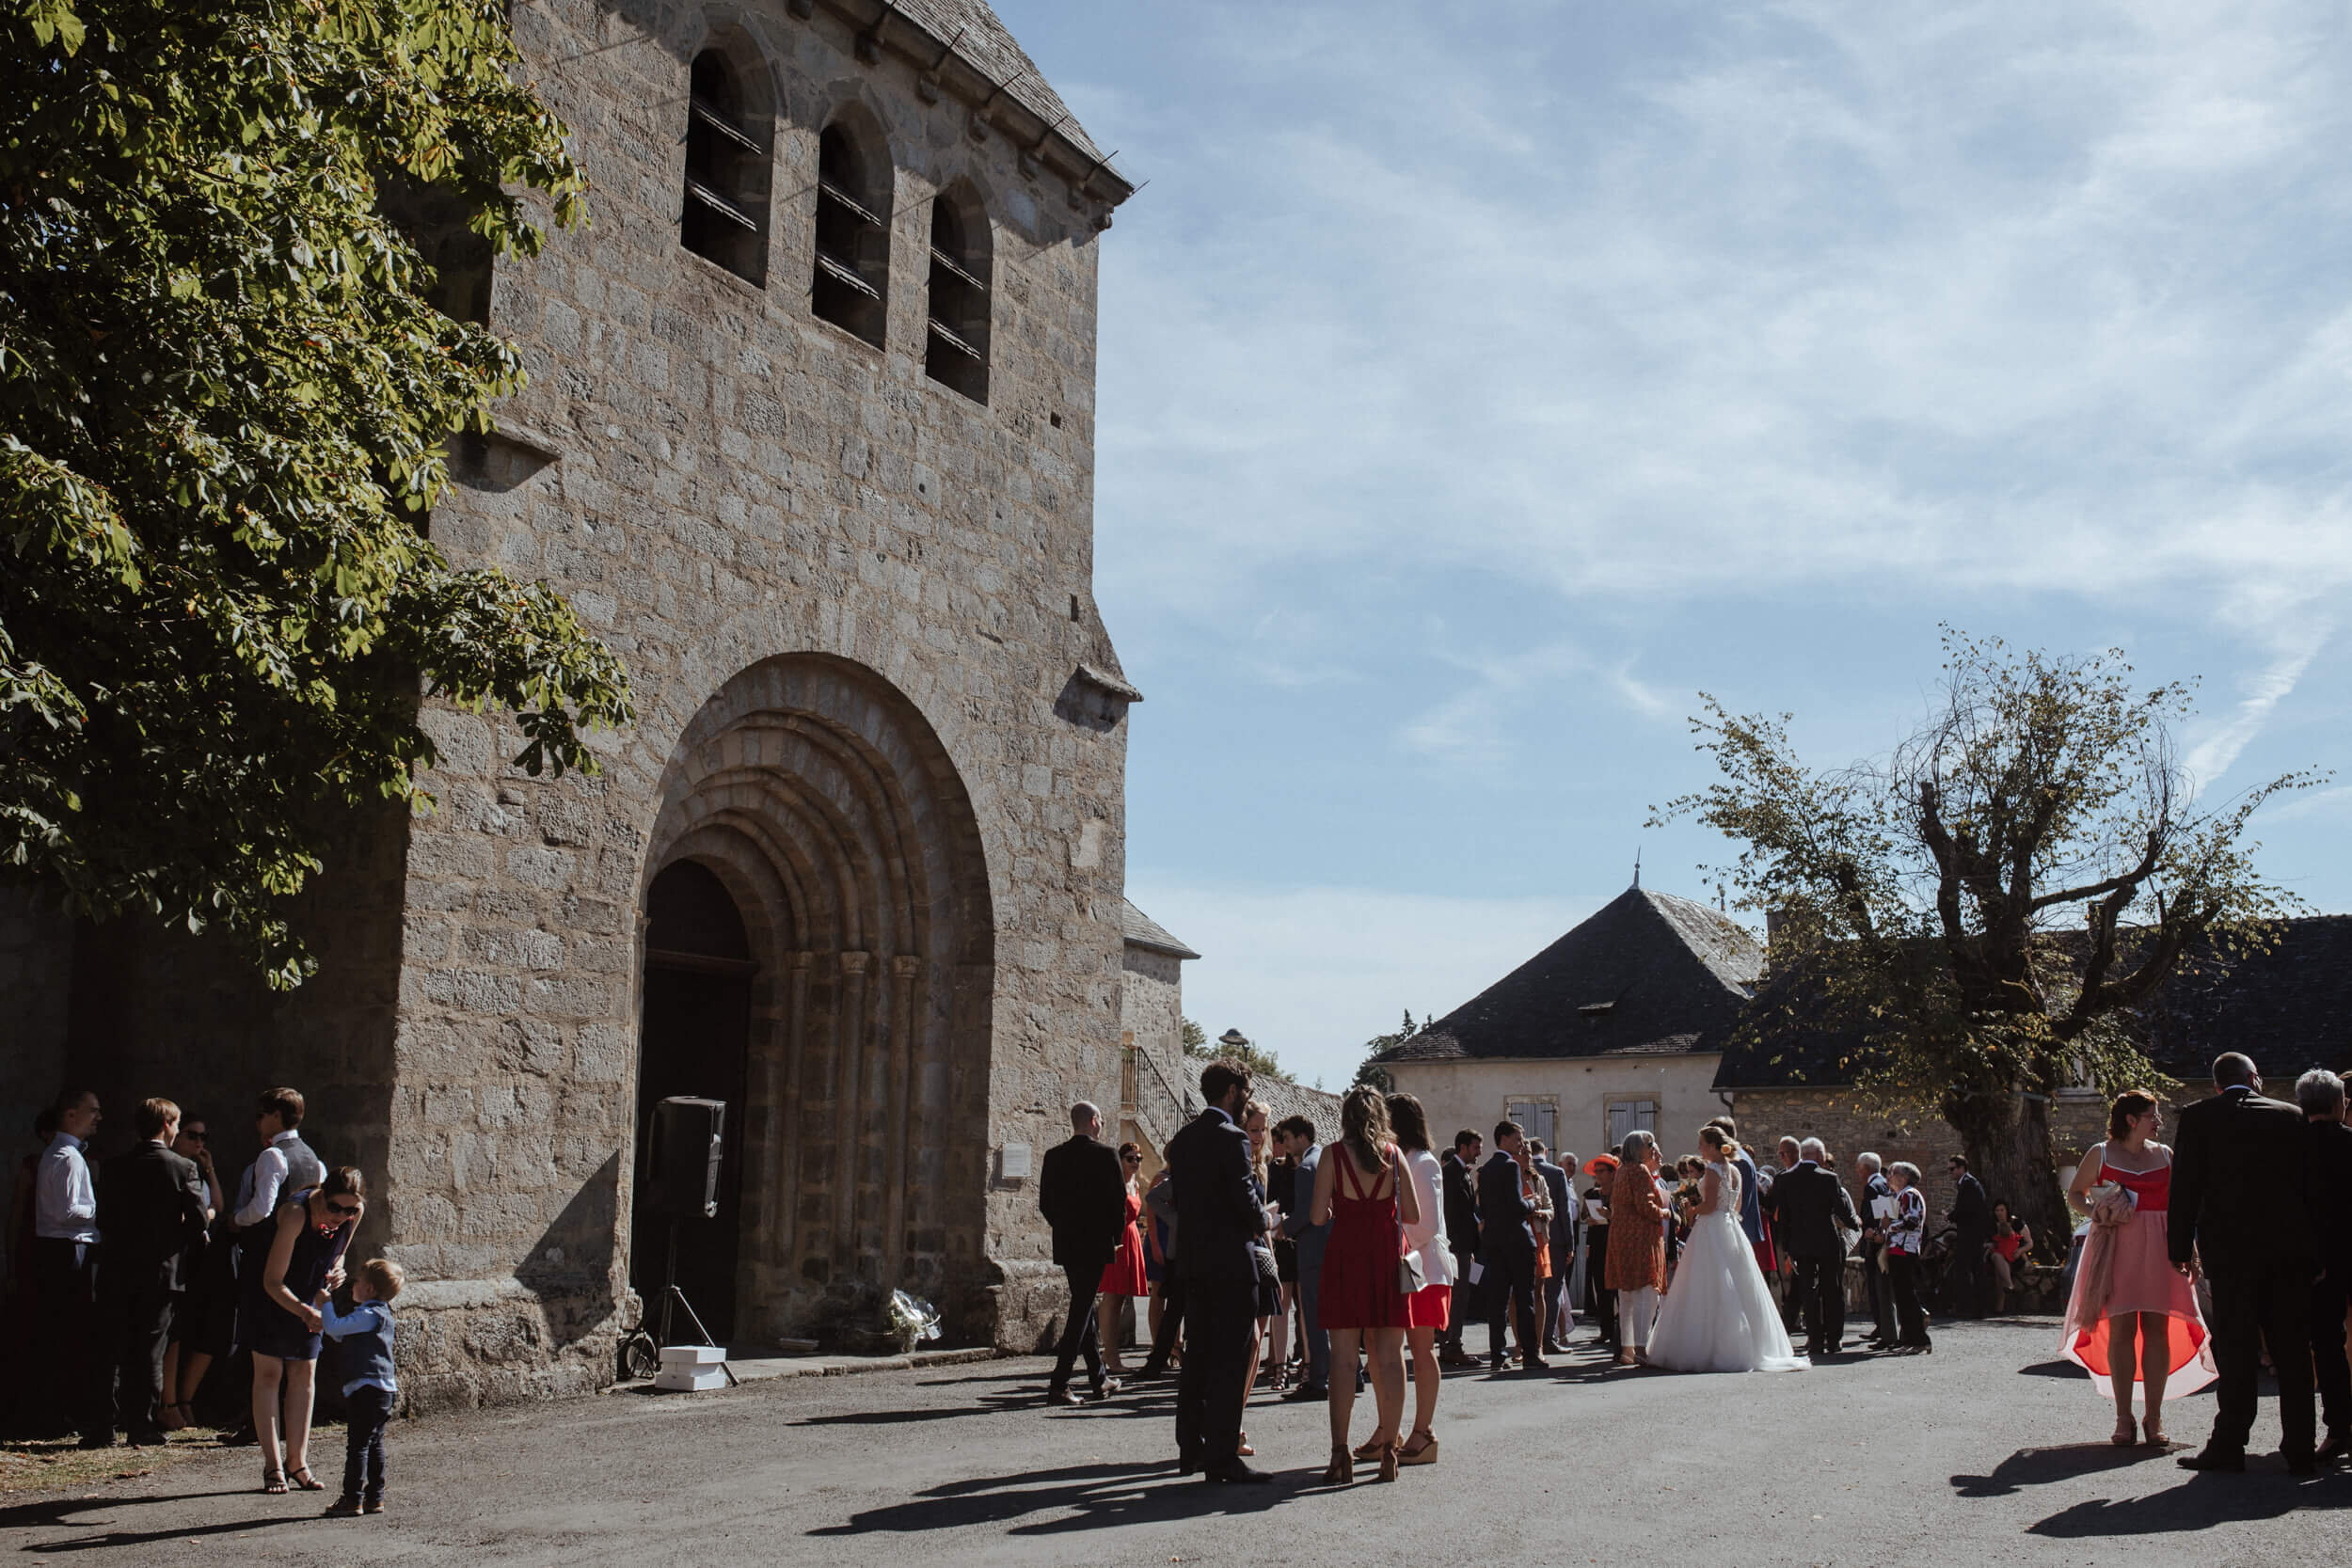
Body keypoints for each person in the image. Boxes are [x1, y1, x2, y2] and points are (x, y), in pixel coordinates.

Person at [2169, 1053, 2316, 1474]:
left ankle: (2229, 1444)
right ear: (2257, 1080)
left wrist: (2180, 1248)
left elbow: (2185, 1188)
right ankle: (2300, 1448)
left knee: (2236, 1348)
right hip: (2287, 1252)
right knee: (2290, 1350)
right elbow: (2311, 1189)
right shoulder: (2291, 1116)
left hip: (2230, 1254)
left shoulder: (2199, 1118)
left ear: (2217, 1085)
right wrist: (2315, 1252)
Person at [2061, 1089, 2215, 1449]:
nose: (2159, 1121)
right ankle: (2123, 1416)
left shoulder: (2165, 1155)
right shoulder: (2099, 1153)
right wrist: (2097, 1214)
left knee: (2158, 1326)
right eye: (2152, 1115)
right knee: (2121, 1328)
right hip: (2117, 1246)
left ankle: (2154, 1416)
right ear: (2132, 1120)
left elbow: (2185, 1199)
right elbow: (2075, 1194)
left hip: (2160, 1246)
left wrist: (2186, 1246)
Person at [1167, 1057, 1273, 1484]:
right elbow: (1246, 1206)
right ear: (1231, 1092)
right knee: (1231, 1360)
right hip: (1230, 1264)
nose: (1245, 1101)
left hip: (1193, 1262)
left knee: (1197, 1358)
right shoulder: (1232, 1140)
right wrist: (1268, 1220)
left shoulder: (1185, 1138)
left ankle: (1190, 1449)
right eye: (1244, 1092)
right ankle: (1223, 1456)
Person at [1308, 1085, 1419, 1483]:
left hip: (1346, 1254)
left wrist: (1341, 1205)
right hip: (1386, 1255)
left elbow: (1318, 1217)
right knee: (1390, 1357)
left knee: (1342, 1359)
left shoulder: (1332, 1156)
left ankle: (1340, 1453)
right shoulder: (1394, 1156)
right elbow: (1414, 1213)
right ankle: (1390, 1449)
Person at [96, 1098, 212, 1447]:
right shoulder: (181, 1168)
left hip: (117, 1268)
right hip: (160, 1272)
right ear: (166, 1125)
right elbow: (196, 1223)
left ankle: (104, 1424)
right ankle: (140, 1423)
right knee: (149, 1348)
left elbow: (104, 1219)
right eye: (176, 1124)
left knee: (113, 1346)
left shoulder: (114, 1167)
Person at [1648, 1126, 1809, 1373]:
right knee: (1736, 1282)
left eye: (1702, 1143)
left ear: (1713, 1145)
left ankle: (1709, 1346)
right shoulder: (1734, 1170)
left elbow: (1710, 1205)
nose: (1700, 1148)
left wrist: (1691, 1210)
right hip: (1731, 1227)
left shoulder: (1713, 1171)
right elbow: (1738, 1205)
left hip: (1712, 1227)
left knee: (1707, 1282)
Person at [247, 1167, 364, 1493]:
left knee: (304, 1374)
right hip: (273, 1295)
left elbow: (338, 1254)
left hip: (309, 1294)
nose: (343, 1216)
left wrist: (338, 1271)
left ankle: (297, 1461)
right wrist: (305, 1312)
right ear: (322, 1196)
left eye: (350, 1209)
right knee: (269, 1376)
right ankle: (273, 1465)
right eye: (335, 1208)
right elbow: (271, 1281)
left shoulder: (354, 1212)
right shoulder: (296, 1214)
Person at [1037, 1101, 1126, 1405]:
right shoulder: (1106, 1155)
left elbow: (1045, 1203)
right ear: (1092, 1121)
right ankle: (1059, 1383)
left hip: (1067, 1243)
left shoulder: (1054, 1156)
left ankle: (1098, 1379)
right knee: (1080, 1310)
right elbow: (1118, 1203)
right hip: (1096, 1243)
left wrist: (1063, 1228)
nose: (1101, 1125)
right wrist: (1114, 1237)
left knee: (1084, 1306)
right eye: (1100, 1119)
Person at [33, 1087, 108, 1446]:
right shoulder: (66, 1157)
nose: (98, 1118)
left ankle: (58, 1412)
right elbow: (65, 1212)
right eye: (92, 1111)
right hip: (66, 1249)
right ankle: (57, 1414)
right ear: (70, 1115)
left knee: (67, 1334)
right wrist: (103, 1210)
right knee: (69, 1333)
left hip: (65, 1248)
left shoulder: (68, 1154)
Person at [1387, 1093, 1451, 1465]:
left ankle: (1423, 1431)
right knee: (1394, 1350)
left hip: (1423, 1270)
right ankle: (1392, 1430)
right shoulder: (1404, 1160)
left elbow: (1426, 1225)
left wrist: (1389, 1238)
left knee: (1422, 1351)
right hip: (1411, 1267)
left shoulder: (1424, 1163)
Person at [319, 1257, 403, 1517]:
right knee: (374, 1442)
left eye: (358, 1281)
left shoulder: (368, 1314)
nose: (353, 1285)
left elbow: (334, 1329)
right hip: (383, 1389)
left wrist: (325, 1304)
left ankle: (352, 1498)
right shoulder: (383, 1313)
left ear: (369, 1290)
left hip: (366, 1388)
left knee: (358, 1445)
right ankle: (374, 1497)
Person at [2297, 1069, 2352, 1464]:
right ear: (2339, 1103)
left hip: (2317, 1261)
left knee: (2327, 1346)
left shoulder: (2291, 1150)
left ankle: (2338, 1428)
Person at [1761, 1137, 1859, 1358]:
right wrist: (1855, 1223)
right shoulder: (1829, 1178)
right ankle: (1833, 1339)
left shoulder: (1785, 1179)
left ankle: (1815, 1340)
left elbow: (1782, 1215)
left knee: (1808, 1292)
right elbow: (1841, 1209)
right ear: (1819, 1156)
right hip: (1827, 1242)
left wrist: (1787, 1246)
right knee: (1832, 1291)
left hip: (1800, 1244)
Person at [161, 1113, 228, 1431]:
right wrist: (208, 1215)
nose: (199, 1142)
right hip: (180, 1256)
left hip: (202, 1257)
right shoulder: (171, 1169)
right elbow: (195, 1217)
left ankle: (185, 1398)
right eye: (192, 1135)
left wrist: (210, 1169)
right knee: (175, 1332)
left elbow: (217, 1205)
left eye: (204, 1137)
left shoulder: (196, 1171)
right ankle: (169, 1402)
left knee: (206, 1329)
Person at [1476, 1120, 1545, 1371]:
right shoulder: (1510, 1167)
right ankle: (1530, 1354)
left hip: (1494, 1241)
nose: (1521, 1141)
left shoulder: (1485, 1171)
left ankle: (1497, 1354)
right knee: (1524, 1299)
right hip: (1517, 1240)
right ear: (1504, 1138)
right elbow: (1517, 1207)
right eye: (1518, 1137)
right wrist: (1532, 1203)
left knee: (1498, 1301)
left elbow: (1485, 1208)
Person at [1276, 1115, 1331, 1401]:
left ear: (1301, 1137)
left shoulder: (1307, 1168)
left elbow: (1308, 1213)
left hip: (1313, 1251)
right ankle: (1349, 1374)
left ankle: (1319, 1379)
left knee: (1315, 1317)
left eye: (1286, 1138)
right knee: (1333, 1317)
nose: (1283, 1144)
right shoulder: (1324, 1159)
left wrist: (1283, 1227)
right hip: (1329, 1249)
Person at [1606, 1132, 1670, 1367]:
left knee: (1627, 1295)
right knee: (1646, 1293)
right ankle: (1642, 1347)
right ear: (1637, 1148)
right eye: (1649, 1145)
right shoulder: (1639, 1171)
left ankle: (1628, 1349)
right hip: (1640, 1237)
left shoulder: (1622, 1170)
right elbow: (1646, 1206)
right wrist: (1665, 1212)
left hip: (1621, 1236)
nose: (1652, 1148)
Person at [1094, 1141, 1150, 1377]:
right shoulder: (1115, 1182)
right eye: (1130, 1158)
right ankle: (1110, 1353)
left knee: (1121, 1298)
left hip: (1132, 1237)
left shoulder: (1135, 1184)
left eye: (1138, 1158)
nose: (1135, 1162)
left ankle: (1110, 1353)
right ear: (1121, 1160)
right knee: (1112, 1297)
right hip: (1119, 1239)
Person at [1438, 1130, 1482, 1367]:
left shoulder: (1459, 1173)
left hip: (1462, 1247)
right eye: (1476, 1147)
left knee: (1458, 1296)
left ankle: (1449, 1343)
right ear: (1463, 1147)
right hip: (1455, 1247)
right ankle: (1452, 1345)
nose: (1479, 1152)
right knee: (1456, 1297)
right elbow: (1452, 1214)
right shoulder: (1450, 1174)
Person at [1530, 1140, 1574, 1351]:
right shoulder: (1557, 1173)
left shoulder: (1520, 1169)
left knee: (1529, 1291)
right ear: (1546, 1151)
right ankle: (1547, 1338)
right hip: (1553, 1239)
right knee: (1553, 1290)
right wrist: (1570, 1243)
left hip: (1528, 1237)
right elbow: (1563, 1211)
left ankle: (1528, 1340)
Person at [1883, 1162, 1931, 1353]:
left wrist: (1890, 1225)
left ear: (1903, 1178)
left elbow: (1912, 1221)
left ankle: (1918, 1339)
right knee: (1903, 1297)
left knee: (1906, 1297)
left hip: (1905, 1251)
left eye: (1892, 1173)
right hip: (1898, 1250)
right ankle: (1910, 1340)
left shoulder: (1910, 1194)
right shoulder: (1900, 1196)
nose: (1889, 1177)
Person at [1854, 1152, 1897, 1348]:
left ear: (1865, 1168)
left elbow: (1876, 1215)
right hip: (1884, 1241)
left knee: (1877, 1288)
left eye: (1858, 1168)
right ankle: (1882, 1328)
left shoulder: (1872, 1187)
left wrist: (1870, 1231)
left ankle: (1883, 1328)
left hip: (1876, 1244)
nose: (1857, 1171)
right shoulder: (1884, 1184)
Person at [1581, 1153, 1619, 1353]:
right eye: (1596, 1172)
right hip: (1597, 1243)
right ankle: (1606, 1330)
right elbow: (1582, 1216)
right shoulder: (1591, 1194)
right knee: (1601, 1287)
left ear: (1612, 1173)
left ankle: (1620, 1331)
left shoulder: (1619, 1193)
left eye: (1602, 1171)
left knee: (1618, 1289)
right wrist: (1589, 1216)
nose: (1598, 1175)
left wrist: (1609, 1215)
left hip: (1615, 1243)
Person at [1987, 1203, 2033, 1310]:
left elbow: (2030, 1243)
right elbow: (1987, 1241)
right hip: (1998, 1254)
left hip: (2016, 1255)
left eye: (2002, 1210)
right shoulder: (1991, 1224)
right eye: (1997, 1210)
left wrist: (2020, 1250)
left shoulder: (2016, 1222)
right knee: (1997, 1258)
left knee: (2000, 1270)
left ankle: (2000, 1306)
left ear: (2007, 1210)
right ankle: (2009, 1285)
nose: (1999, 1213)